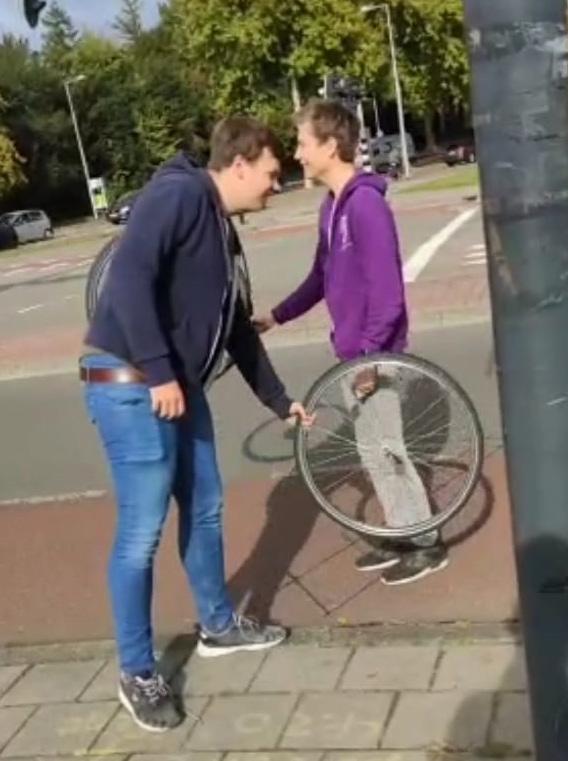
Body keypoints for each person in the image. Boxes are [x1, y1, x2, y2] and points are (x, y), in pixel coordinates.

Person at [80, 116, 312, 733]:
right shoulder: (179, 196)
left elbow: (236, 328)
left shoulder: (221, 227)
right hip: (132, 383)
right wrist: (159, 373)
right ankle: (137, 671)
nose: (276, 185)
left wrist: (280, 401)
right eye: (271, 173)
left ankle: (217, 625)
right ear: (239, 164)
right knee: (142, 532)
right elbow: (130, 277)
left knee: (205, 505)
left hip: (174, 385)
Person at [253, 99, 449, 587]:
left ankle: (426, 543)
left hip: (372, 356)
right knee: (372, 452)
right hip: (352, 356)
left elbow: (389, 293)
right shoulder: (332, 206)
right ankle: (403, 531)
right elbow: (320, 277)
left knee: (389, 450)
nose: (297, 153)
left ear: (330, 145)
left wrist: (370, 358)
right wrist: (276, 316)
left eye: (302, 143)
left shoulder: (365, 205)